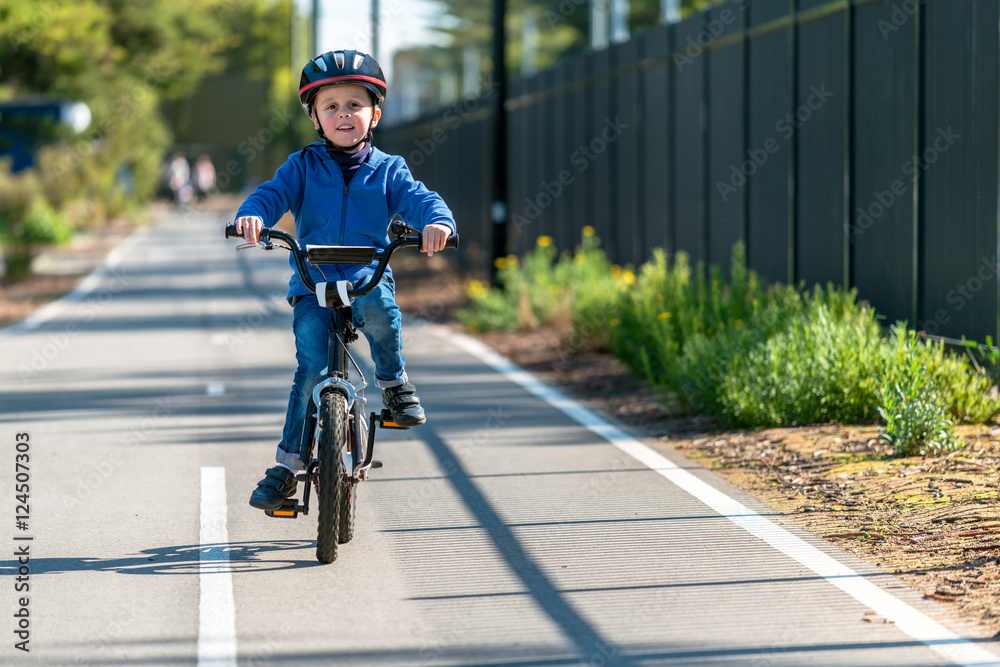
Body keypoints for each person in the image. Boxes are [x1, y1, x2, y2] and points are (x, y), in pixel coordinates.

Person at [233, 49, 456, 511]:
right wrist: (252, 216)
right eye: (330, 106)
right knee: (310, 366)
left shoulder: (389, 170)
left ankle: (394, 385)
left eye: (355, 104)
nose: (343, 114)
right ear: (315, 117)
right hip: (312, 283)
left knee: (381, 312)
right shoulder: (300, 167)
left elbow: (421, 199)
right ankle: (287, 465)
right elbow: (270, 196)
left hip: (366, 276)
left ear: (374, 114)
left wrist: (438, 223)